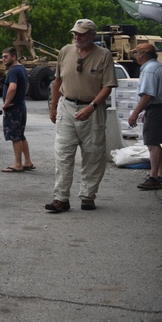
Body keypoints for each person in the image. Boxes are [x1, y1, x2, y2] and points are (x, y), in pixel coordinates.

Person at [46, 19, 117, 213]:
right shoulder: (65, 51)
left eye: (82, 34)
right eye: (75, 33)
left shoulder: (103, 55)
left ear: (92, 35)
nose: (77, 37)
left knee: (93, 154)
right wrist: (53, 108)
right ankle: (61, 198)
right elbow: (57, 80)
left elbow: (108, 86)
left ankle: (88, 196)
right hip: (67, 106)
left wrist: (92, 106)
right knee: (63, 154)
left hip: (93, 110)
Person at [128, 43, 162, 190]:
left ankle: (154, 178)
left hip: (157, 109)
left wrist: (135, 113)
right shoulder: (158, 67)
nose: (135, 56)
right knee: (155, 142)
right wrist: (146, 111)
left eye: (136, 53)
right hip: (160, 108)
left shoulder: (149, 70)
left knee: (152, 144)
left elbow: (148, 95)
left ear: (143, 55)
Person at [0, 47, 34, 173]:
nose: (3, 59)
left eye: (6, 56)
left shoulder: (13, 71)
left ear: (14, 57)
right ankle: (28, 162)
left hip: (14, 108)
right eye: (3, 56)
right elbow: (27, 85)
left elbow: (12, 87)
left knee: (15, 137)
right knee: (21, 135)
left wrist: (6, 103)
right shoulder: (22, 68)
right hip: (21, 106)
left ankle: (18, 164)